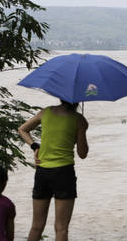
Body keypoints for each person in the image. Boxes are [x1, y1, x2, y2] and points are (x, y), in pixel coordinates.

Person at [18, 100, 89, 241]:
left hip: (42, 172)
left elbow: (22, 129)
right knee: (61, 228)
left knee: (36, 226)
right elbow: (82, 153)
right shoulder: (78, 119)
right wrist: (82, 129)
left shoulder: (45, 112)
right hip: (64, 173)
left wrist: (34, 146)